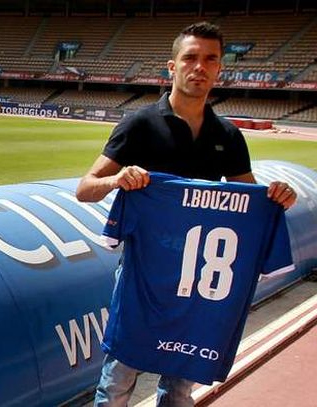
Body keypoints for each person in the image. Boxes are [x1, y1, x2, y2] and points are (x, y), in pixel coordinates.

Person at [76, 21, 297, 407]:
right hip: (143, 275)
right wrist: (117, 181)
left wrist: (278, 195)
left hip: (199, 285)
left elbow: (251, 198)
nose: (199, 66)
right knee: (117, 384)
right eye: (190, 57)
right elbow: (85, 188)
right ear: (172, 66)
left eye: (210, 59)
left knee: (179, 391)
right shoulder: (140, 124)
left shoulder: (227, 136)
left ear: (219, 70)